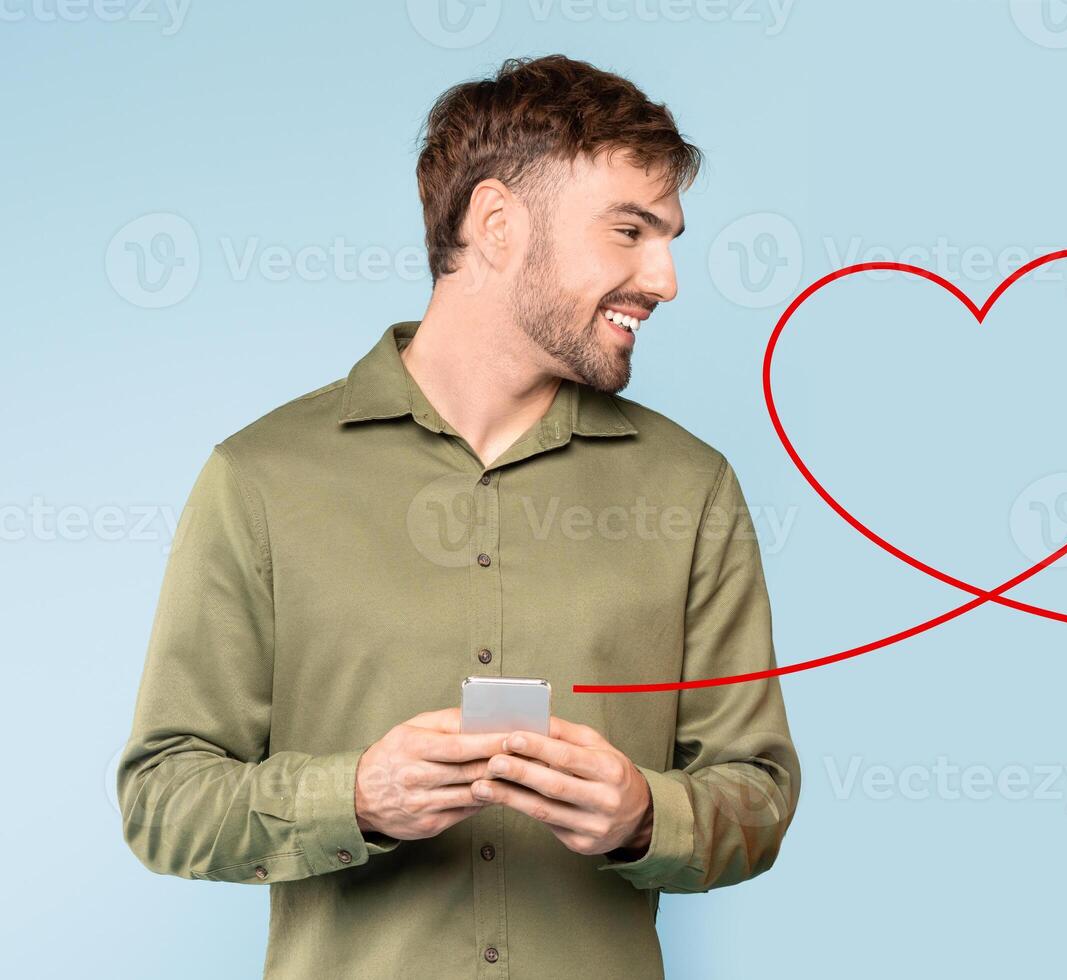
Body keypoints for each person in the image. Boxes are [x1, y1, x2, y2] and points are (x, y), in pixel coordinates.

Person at [117, 55, 797, 978]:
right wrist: (351, 797)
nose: (666, 278)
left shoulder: (693, 488)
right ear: (497, 224)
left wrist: (646, 815)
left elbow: (758, 794)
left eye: (668, 237)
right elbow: (160, 798)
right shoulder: (260, 479)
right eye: (630, 231)